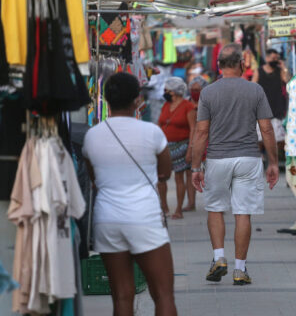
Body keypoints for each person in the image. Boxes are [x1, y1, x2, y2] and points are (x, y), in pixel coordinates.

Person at [82, 72, 177, 316]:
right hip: (144, 216)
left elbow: (93, 179)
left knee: (121, 296)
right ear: (137, 100)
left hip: (107, 219)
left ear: (105, 99)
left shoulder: (92, 135)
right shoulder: (152, 132)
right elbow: (165, 173)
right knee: (163, 294)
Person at [191, 43, 279, 286]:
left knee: (215, 209)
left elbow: (200, 132)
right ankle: (240, 269)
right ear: (241, 64)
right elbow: (267, 129)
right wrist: (273, 162)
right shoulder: (255, 90)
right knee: (243, 213)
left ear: (218, 66)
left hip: (217, 158)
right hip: (248, 158)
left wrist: (196, 167)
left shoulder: (208, 92)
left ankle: (219, 258)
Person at [158, 77, 197, 219]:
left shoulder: (188, 106)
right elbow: (160, 124)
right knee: (161, 178)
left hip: (182, 145)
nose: (164, 92)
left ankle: (178, 209)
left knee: (179, 177)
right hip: (165, 146)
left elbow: (193, 128)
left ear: (174, 91)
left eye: (166, 90)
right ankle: (164, 207)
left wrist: (190, 149)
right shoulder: (165, 105)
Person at [252, 48, 289, 150]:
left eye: (277, 58)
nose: (275, 60)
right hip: (262, 108)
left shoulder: (279, 71)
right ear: (267, 58)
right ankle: (263, 160)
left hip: (277, 108)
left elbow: (287, 82)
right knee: (260, 139)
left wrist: (283, 67)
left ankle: (275, 159)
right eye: (273, 58)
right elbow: (252, 88)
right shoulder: (258, 71)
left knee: (278, 140)